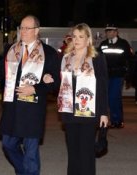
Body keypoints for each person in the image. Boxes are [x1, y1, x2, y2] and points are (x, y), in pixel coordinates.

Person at [0, 15, 60, 175]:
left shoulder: (48, 53)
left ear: (36, 31)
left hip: (32, 109)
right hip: (13, 107)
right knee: (8, 145)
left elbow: (56, 82)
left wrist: (36, 88)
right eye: (21, 27)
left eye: (27, 28)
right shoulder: (12, 49)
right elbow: (0, 73)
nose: (22, 31)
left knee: (31, 153)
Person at [46, 23, 109, 175]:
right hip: (69, 112)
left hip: (88, 112)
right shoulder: (65, 58)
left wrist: (104, 113)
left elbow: (102, 87)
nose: (77, 39)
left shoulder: (97, 58)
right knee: (73, 153)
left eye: (81, 36)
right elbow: (60, 83)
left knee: (86, 154)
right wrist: (50, 79)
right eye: (74, 36)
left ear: (88, 39)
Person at [98, 24, 132, 128]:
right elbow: (98, 58)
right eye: (107, 31)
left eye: (111, 31)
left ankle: (116, 120)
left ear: (116, 32)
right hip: (106, 75)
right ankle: (115, 120)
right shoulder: (103, 44)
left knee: (113, 97)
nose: (108, 33)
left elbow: (129, 59)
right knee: (110, 98)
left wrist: (128, 74)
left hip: (118, 74)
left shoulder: (123, 44)